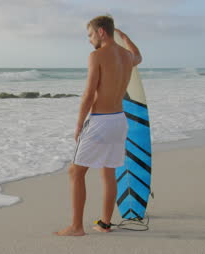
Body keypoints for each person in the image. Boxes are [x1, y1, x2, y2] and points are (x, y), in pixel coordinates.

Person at [53, 15, 142, 236]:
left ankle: (76, 227)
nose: (89, 39)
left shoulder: (96, 56)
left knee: (75, 172)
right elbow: (139, 56)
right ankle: (105, 223)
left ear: (101, 32)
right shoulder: (127, 56)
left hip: (101, 121)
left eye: (90, 34)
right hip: (119, 120)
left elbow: (89, 93)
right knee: (108, 171)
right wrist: (125, 37)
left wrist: (79, 124)